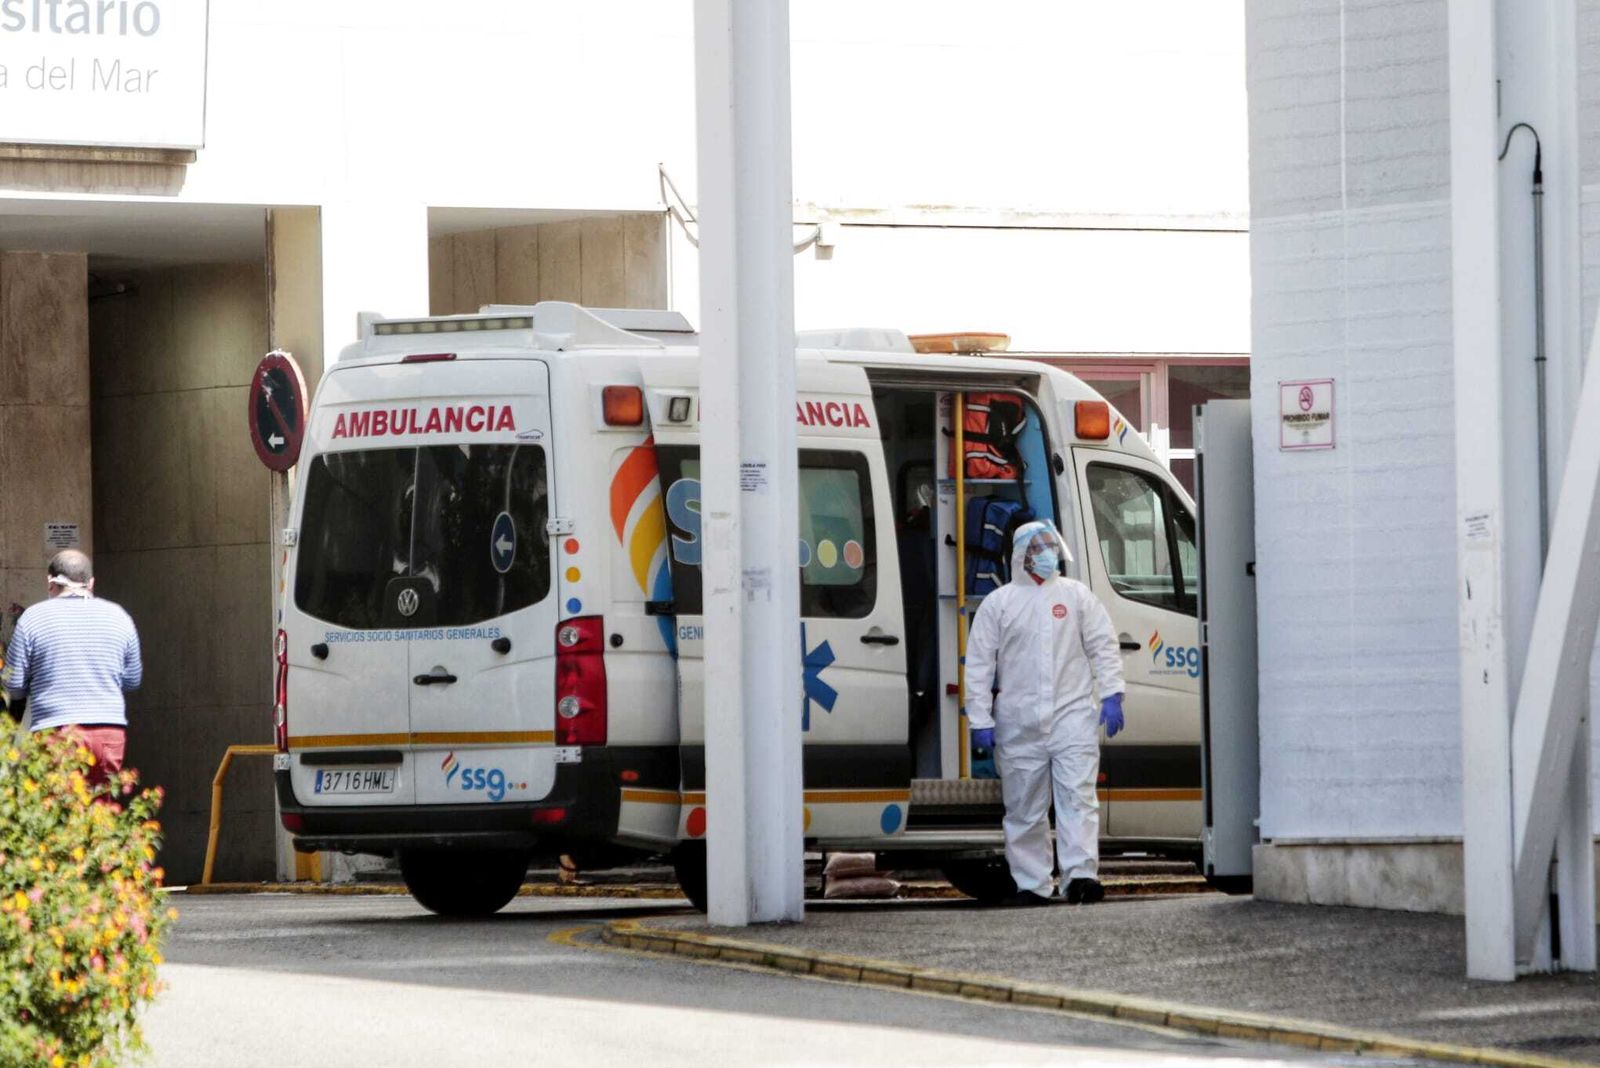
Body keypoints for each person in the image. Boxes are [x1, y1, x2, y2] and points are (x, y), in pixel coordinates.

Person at [964, 520, 1125, 906]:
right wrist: (980, 719)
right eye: (1038, 548)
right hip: (1019, 722)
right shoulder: (999, 604)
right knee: (1024, 807)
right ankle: (1031, 883)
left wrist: (1112, 692)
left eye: (1052, 546)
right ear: (1022, 555)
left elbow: (1103, 644)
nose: (1047, 554)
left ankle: (1081, 877)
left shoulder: (1076, 595)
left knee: (1078, 799)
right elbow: (980, 664)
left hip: (1072, 716)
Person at [1, 550, 143, 790]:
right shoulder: (119, 617)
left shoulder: (33, 619)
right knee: (99, 806)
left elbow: (13, 686)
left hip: (55, 730)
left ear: (50, 582)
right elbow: (132, 680)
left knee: (55, 806)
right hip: (108, 733)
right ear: (91, 583)